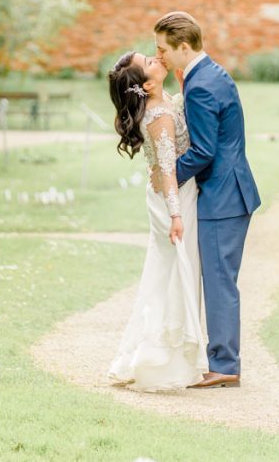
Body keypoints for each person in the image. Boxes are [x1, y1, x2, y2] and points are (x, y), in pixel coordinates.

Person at [154, 11, 261, 389]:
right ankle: (223, 360)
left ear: (184, 47)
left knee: (218, 281)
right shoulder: (212, 72)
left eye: (163, 49)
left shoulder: (199, 86)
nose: (160, 56)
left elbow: (202, 151)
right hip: (232, 191)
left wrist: (167, 179)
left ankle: (225, 365)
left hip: (222, 196)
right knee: (220, 279)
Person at [106, 51, 207, 391]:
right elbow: (167, 168)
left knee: (166, 272)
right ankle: (166, 356)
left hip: (167, 194)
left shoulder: (165, 104)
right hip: (172, 197)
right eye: (149, 60)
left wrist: (180, 87)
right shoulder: (159, 115)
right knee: (177, 270)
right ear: (146, 84)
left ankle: (163, 349)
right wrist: (176, 215)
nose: (157, 58)